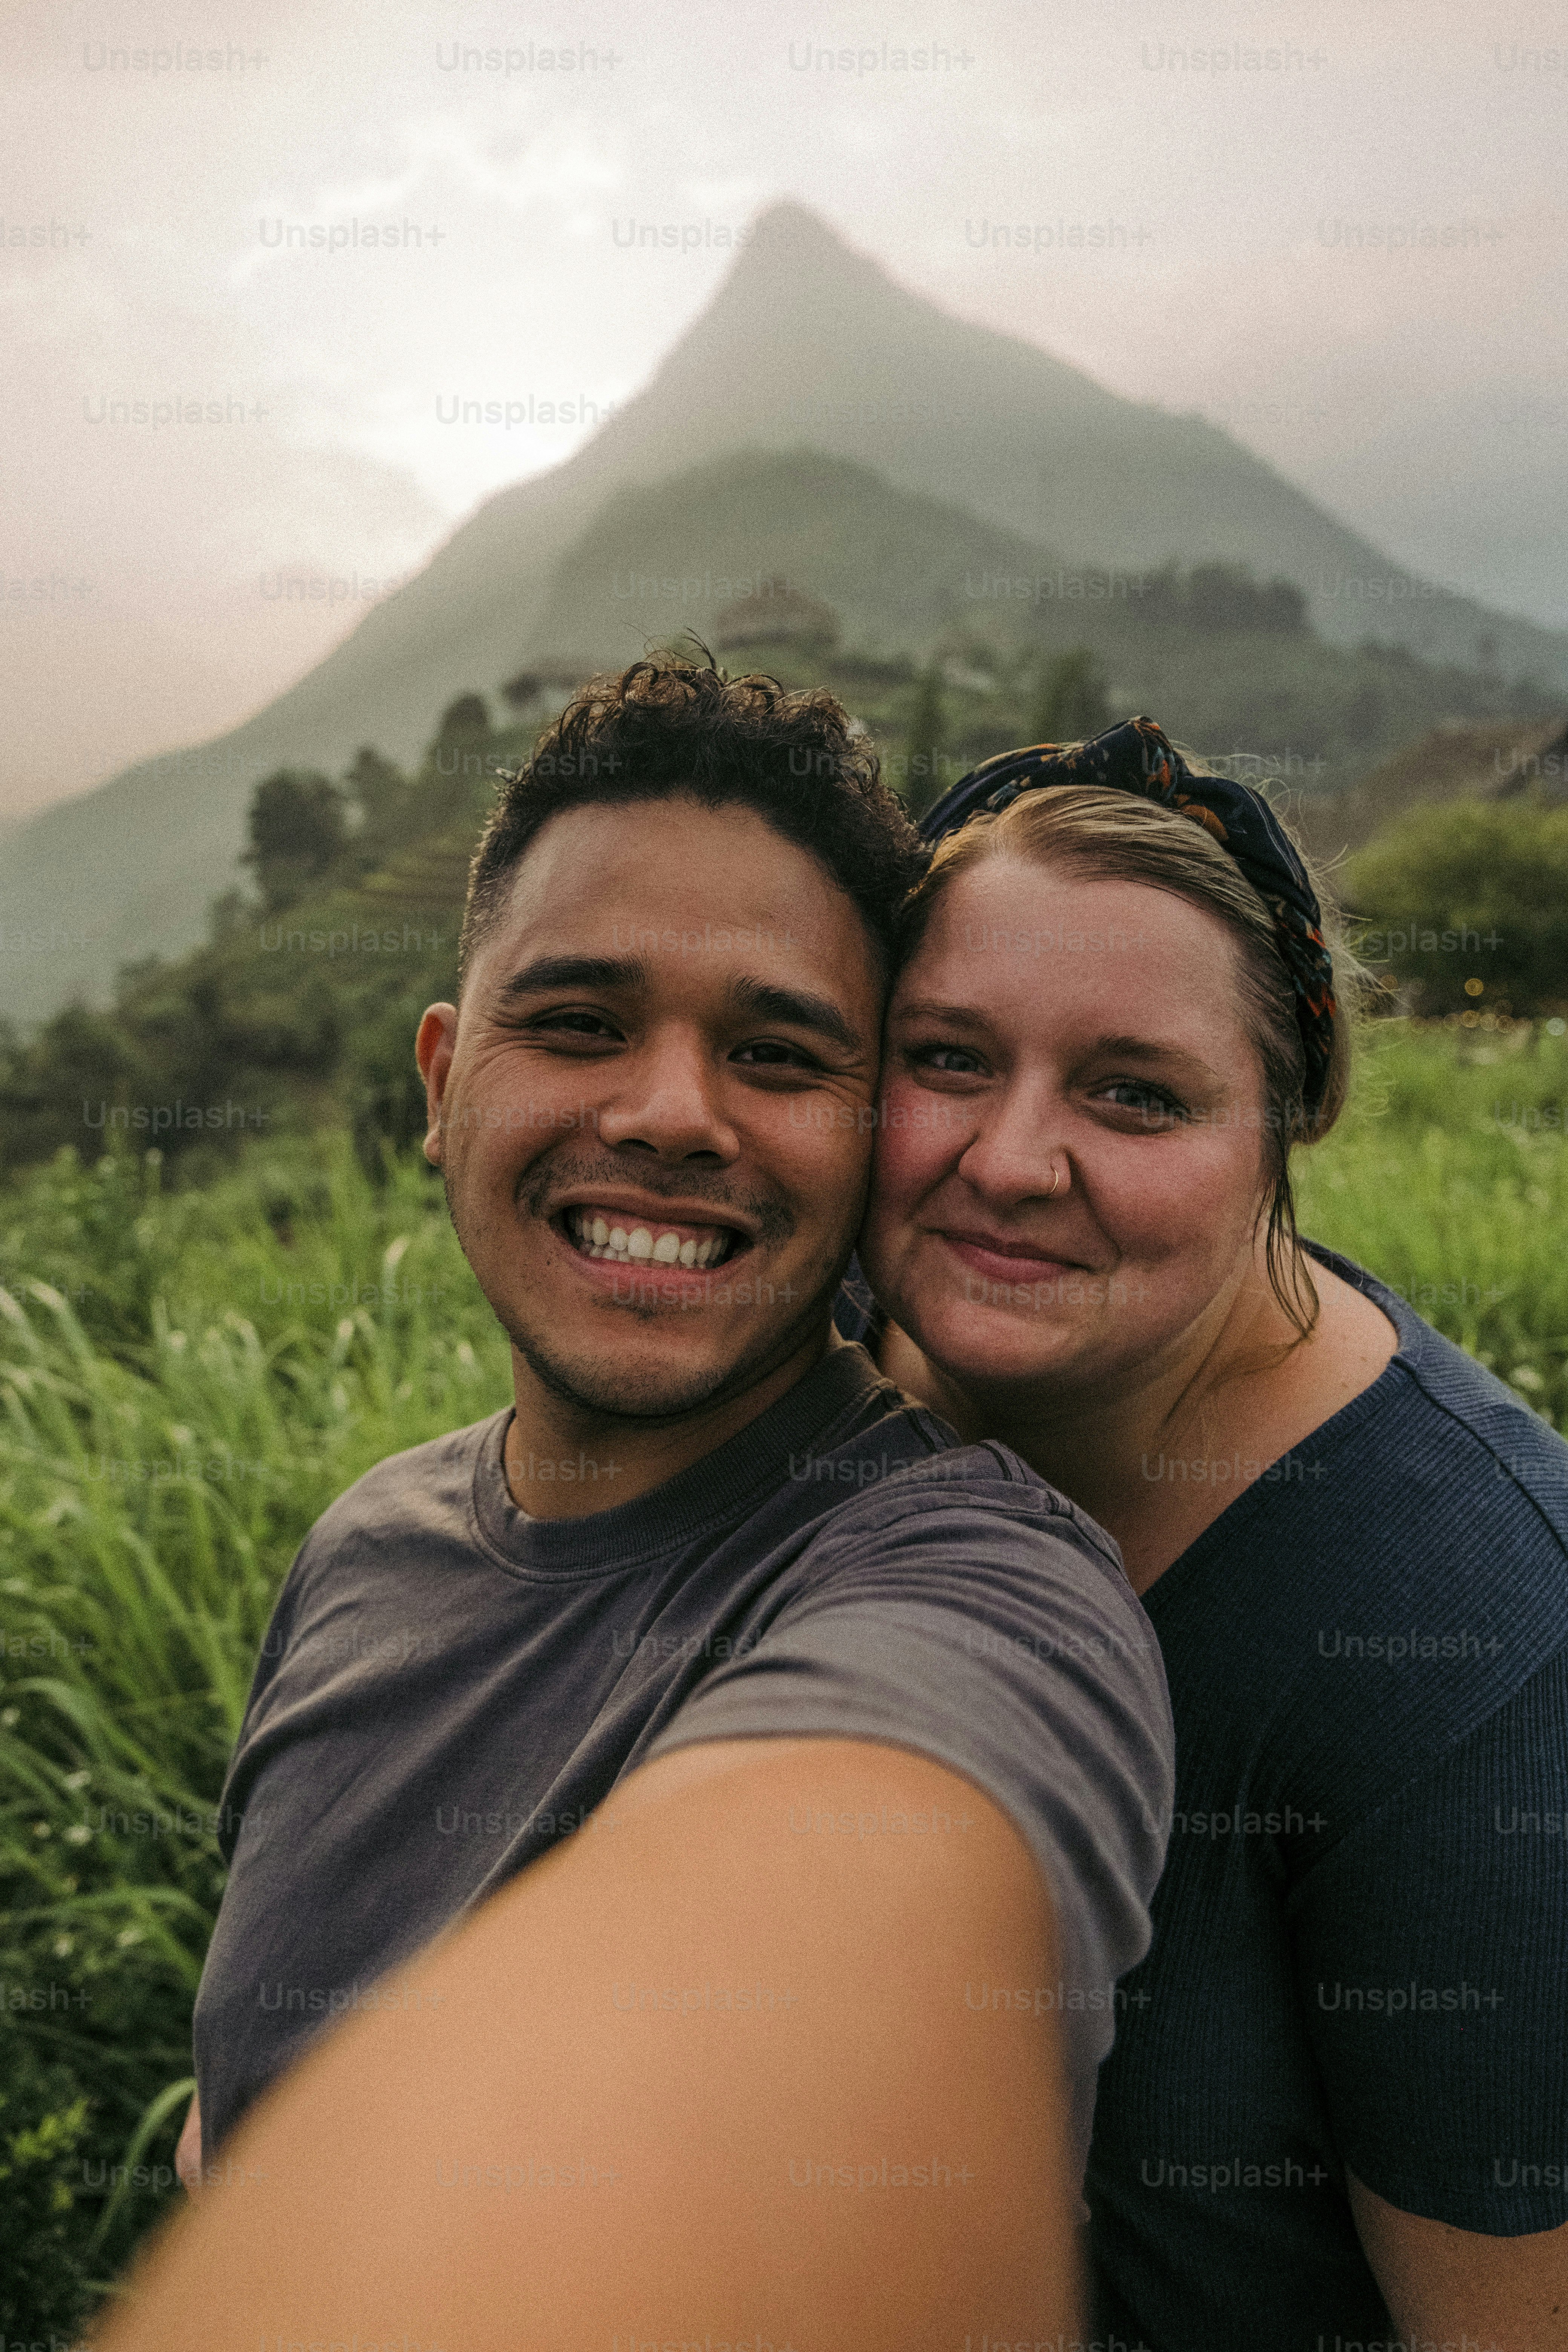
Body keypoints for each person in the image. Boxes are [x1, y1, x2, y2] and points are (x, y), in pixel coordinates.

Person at [138, 658, 1173, 2346]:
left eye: (774, 1052)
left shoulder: (980, 1590)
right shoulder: (363, 1547)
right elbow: (239, 2107)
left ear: (867, 1138)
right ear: (439, 1082)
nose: (669, 1115)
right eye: (577, 1024)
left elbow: (838, 1944)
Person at [842, 715, 1568, 2351]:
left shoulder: (1469, 1642)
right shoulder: (818, 1379)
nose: (1010, 1162)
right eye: (947, 1057)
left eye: (1134, 1095)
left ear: (1277, 1135)